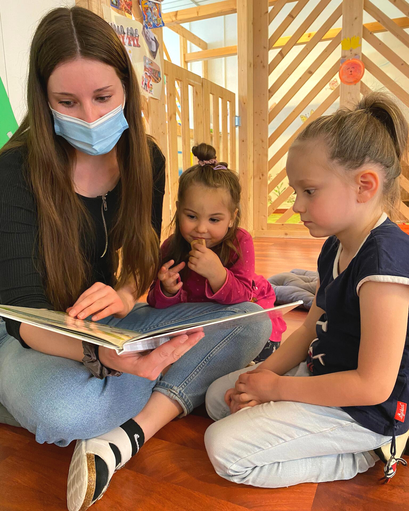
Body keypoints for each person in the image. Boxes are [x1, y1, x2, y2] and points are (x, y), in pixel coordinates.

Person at [0, 7, 271, 511]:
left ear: (126, 87)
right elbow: (20, 315)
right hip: (36, 334)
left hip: (108, 325)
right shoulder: (15, 170)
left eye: (103, 97)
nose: (89, 117)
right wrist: (100, 354)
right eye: (67, 102)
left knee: (251, 321)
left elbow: (142, 255)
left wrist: (127, 295)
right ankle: (156, 387)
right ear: (44, 99)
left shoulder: (146, 158)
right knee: (66, 409)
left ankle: (125, 429)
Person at [204, 93, 409, 488]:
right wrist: (260, 378)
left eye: (309, 191)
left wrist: (278, 388)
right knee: (219, 397)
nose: (297, 205)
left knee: (224, 450)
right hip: (322, 374)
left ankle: (363, 455)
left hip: (364, 412)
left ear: (364, 186)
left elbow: (373, 385)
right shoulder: (335, 245)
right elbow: (309, 330)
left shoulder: (385, 264)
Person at [147, 143, 287, 359]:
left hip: (239, 314)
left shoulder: (240, 242)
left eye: (214, 220)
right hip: (198, 324)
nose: (201, 228)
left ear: (231, 217)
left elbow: (243, 297)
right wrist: (167, 290)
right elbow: (155, 304)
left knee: (259, 345)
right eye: (191, 216)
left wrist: (217, 274)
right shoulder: (170, 247)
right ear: (178, 209)